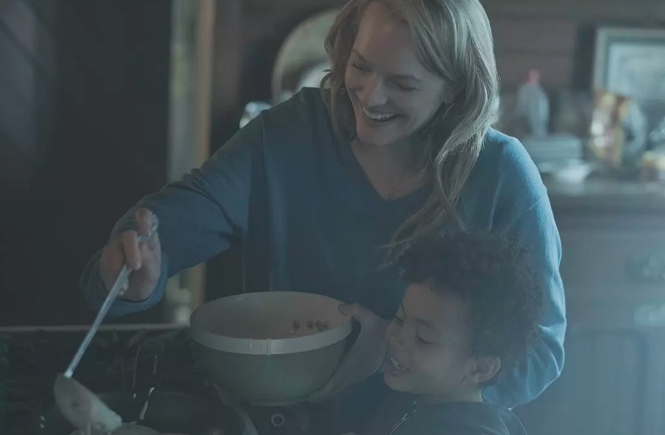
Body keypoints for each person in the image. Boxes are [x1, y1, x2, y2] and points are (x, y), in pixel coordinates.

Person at [81, 0, 565, 427]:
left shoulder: (502, 174)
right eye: (360, 66)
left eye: (402, 84)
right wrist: (132, 269)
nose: (370, 96)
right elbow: (174, 222)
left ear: (454, 90)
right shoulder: (286, 134)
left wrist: (395, 348)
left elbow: (539, 352)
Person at [362, 232, 542, 435]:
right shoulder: (412, 395)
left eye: (423, 338)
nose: (397, 338)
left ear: (480, 368)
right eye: (399, 319)